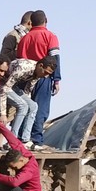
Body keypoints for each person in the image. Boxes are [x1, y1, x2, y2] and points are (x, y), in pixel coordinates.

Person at [16, 11, 62, 148]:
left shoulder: (25, 38)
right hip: (44, 77)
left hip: (25, 78)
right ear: (45, 21)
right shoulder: (50, 36)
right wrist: (56, 79)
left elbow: (20, 60)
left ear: (31, 22)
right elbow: (55, 59)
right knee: (41, 109)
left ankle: (21, 139)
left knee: (25, 107)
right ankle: (36, 140)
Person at [0, 56, 54, 145]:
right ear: (40, 66)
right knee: (23, 106)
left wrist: (28, 105)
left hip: (13, 87)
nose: (46, 76)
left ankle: (25, 139)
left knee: (33, 106)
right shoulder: (23, 68)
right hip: (2, 85)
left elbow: (27, 91)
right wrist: (3, 113)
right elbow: (5, 89)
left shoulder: (38, 73)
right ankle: (13, 140)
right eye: (46, 72)